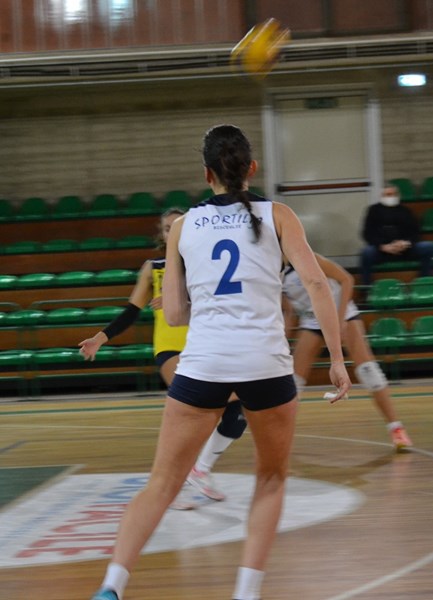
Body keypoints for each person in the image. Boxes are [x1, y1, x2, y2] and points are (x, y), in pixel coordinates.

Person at [88, 124, 351, 600]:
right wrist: (335, 356)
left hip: (204, 364)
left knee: (162, 483)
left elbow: (174, 314)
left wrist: (210, 305)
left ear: (206, 173)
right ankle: (245, 593)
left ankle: (112, 585)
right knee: (270, 479)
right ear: (252, 168)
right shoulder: (279, 215)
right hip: (266, 364)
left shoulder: (183, 226)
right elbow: (317, 284)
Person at [79, 207, 246, 504]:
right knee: (192, 414)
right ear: (163, 234)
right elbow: (131, 312)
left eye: (179, 225)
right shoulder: (153, 267)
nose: (174, 231)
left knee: (237, 413)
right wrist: (100, 338)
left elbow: (224, 301)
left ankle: (201, 470)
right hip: (170, 348)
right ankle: (173, 486)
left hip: (206, 345)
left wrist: (183, 299)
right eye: (168, 228)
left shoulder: (206, 262)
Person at [282, 254, 412, 451]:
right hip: (312, 321)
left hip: (341, 313)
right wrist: (281, 338)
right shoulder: (274, 269)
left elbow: (347, 280)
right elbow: (289, 311)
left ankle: (396, 429)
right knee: (293, 381)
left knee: (369, 371)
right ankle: (281, 435)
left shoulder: (307, 257)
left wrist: (340, 319)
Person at [360, 184, 433, 286]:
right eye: (387, 194)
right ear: (382, 196)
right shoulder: (373, 210)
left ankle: (423, 284)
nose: (390, 197)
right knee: (366, 253)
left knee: (428, 247)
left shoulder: (405, 211)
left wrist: (406, 243)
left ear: (398, 195)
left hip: (405, 250)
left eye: (393, 194)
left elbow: (415, 233)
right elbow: (367, 234)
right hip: (382, 251)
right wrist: (382, 246)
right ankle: (367, 288)